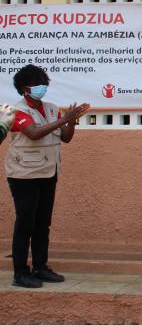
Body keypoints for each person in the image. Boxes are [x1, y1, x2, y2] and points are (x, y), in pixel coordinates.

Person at [4, 64, 90, 288]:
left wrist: (71, 121)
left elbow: (66, 138)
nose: (42, 88)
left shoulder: (52, 109)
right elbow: (33, 134)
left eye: (44, 84)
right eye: (36, 85)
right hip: (24, 175)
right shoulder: (17, 111)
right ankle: (20, 274)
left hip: (49, 171)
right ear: (24, 88)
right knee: (26, 223)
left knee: (43, 223)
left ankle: (40, 267)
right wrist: (64, 119)